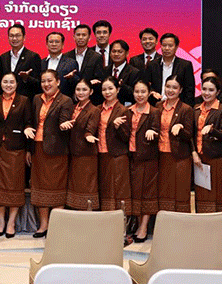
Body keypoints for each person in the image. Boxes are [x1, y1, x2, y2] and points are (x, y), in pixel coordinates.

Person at [25, 70, 73, 238]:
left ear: (58, 82)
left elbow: (64, 122)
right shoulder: (36, 99)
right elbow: (31, 122)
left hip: (56, 150)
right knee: (39, 188)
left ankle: (55, 226)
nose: (46, 84)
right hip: (38, 148)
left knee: (56, 187)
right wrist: (29, 146)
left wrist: (64, 126)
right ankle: (43, 225)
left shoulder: (66, 100)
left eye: (50, 81)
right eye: (43, 81)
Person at [0, 72, 31, 238]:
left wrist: (28, 147)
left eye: (11, 82)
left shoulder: (24, 101)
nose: (8, 85)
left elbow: (28, 123)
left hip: (16, 148)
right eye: (5, 82)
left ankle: (11, 222)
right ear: (0, 83)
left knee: (15, 185)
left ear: (16, 84)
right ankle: (1, 222)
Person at [191, 76, 222, 213]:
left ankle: (216, 224)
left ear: (218, 92)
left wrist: (212, 130)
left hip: (216, 158)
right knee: (202, 194)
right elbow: (191, 134)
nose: (206, 93)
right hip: (199, 158)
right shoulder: (196, 109)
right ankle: (202, 223)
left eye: (211, 90)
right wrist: (194, 153)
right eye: (204, 89)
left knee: (217, 194)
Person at [156, 74, 195, 213]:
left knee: (180, 191)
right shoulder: (158, 106)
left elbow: (189, 135)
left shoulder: (186, 109)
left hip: (179, 156)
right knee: (164, 191)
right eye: (168, 87)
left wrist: (181, 128)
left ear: (180, 90)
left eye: (174, 87)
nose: (170, 90)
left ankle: (181, 223)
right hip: (161, 154)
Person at [128, 80, 160, 242]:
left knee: (147, 193)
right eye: (137, 92)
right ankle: (139, 224)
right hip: (131, 156)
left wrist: (153, 132)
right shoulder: (128, 111)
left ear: (149, 93)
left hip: (148, 158)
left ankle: (144, 227)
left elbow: (158, 131)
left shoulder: (154, 112)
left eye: (143, 92)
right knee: (136, 192)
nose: (139, 95)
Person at [95, 76, 132, 212]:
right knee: (104, 189)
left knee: (118, 189)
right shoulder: (97, 109)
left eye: (110, 88)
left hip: (117, 156)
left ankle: (120, 221)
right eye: (104, 89)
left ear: (118, 90)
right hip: (100, 154)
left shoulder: (123, 110)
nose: (107, 92)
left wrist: (118, 127)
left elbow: (126, 137)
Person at [62, 79, 99, 211]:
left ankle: (87, 216)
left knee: (86, 187)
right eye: (78, 90)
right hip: (72, 152)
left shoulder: (94, 110)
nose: (81, 92)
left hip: (86, 154)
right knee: (74, 187)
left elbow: (90, 129)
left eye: (84, 90)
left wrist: (88, 135)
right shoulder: (72, 107)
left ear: (91, 92)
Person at [147, 33, 195, 106]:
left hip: (178, 107)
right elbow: (147, 85)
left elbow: (189, 90)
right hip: (156, 105)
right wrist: (152, 92)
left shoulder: (185, 65)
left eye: (170, 46)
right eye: (164, 45)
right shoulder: (152, 65)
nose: (166, 48)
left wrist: (186, 108)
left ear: (176, 47)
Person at [62, 24, 104, 103]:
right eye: (78, 35)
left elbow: (99, 80)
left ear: (89, 38)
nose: (81, 37)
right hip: (69, 99)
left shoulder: (96, 57)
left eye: (84, 35)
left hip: (90, 100)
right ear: (74, 37)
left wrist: (89, 83)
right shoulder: (66, 56)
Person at [0, 24, 42, 97]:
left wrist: (27, 78)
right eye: (11, 36)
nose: (14, 38)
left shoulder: (33, 57)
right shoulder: (3, 57)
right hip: (6, 98)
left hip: (25, 99)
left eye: (18, 36)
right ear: (8, 38)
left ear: (24, 38)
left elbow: (39, 83)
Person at [42, 32, 78, 98]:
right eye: (51, 42)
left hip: (64, 100)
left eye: (57, 42)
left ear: (62, 45)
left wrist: (72, 78)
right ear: (47, 45)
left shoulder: (71, 63)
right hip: (44, 99)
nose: (54, 44)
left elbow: (77, 84)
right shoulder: (41, 62)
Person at [107, 40, 141, 105]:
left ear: (127, 53)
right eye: (114, 51)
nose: (116, 54)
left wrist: (122, 86)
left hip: (125, 107)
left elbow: (135, 94)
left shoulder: (134, 72)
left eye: (120, 52)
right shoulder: (105, 70)